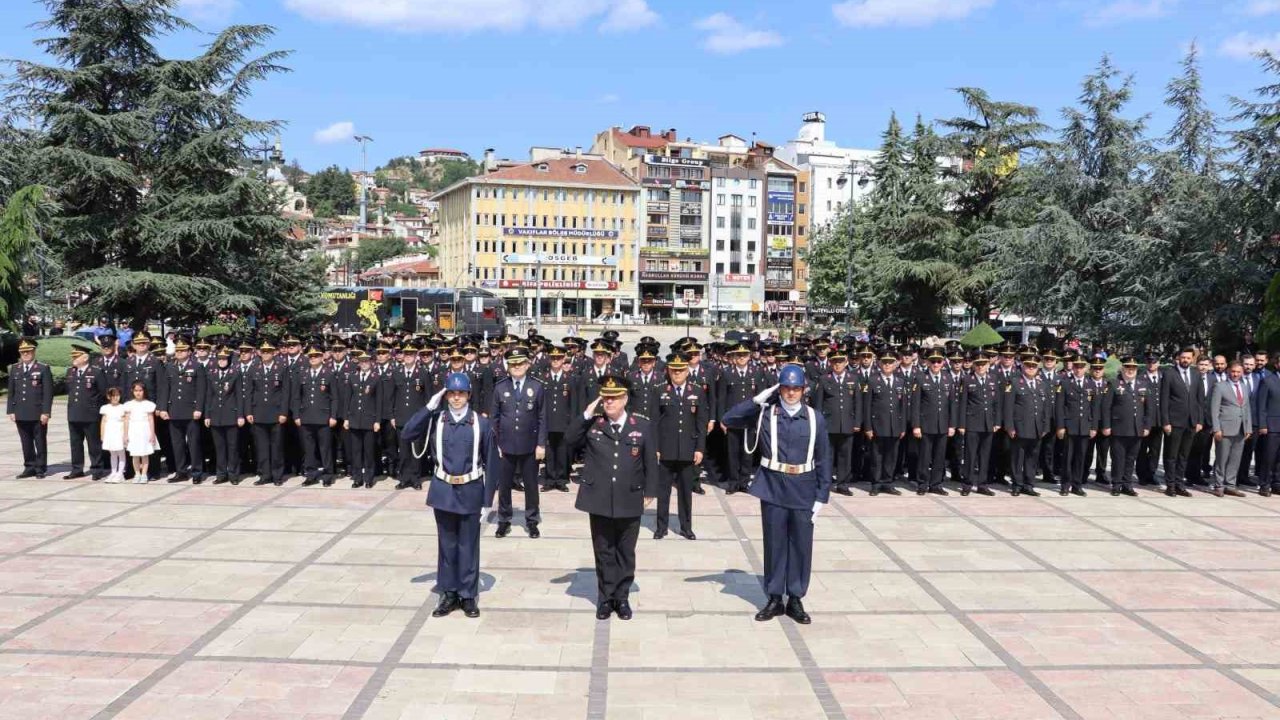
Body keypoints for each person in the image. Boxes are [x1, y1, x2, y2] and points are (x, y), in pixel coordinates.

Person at [723, 364, 832, 625]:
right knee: (774, 544)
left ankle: (795, 597)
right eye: (786, 388)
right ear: (779, 389)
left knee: (801, 546)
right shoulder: (766, 414)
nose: (791, 393)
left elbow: (824, 458)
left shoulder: (815, 418)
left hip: (804, 488)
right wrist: (757, 400)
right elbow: (729, 419)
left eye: (796, 388)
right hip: (773, 487)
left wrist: (822, 496)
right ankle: (774, 597)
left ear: (804, 390)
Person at [402, 372, 494, 619]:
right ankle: (448, 594)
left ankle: (467, 595)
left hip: (471, 489)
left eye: (461, 393)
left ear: (468, 395)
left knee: (468, 546)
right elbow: (407, 434)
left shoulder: (480, 424)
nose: (456, 398)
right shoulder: (436, 420)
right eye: (451, 393)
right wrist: (428, 407)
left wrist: (487, 502)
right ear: (446, 395)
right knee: (447, 545)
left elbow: (492, 463)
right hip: (443, 491)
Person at [567, 374, 658, 621]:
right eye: (605, 398)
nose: (609, 402)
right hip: (599, 498)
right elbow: (569, 440)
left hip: (630, 497)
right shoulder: (594, 424)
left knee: (626, 552)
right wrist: (586, 415)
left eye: (614, 398)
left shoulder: (642, 426)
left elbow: (650, 461)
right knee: (604, 551)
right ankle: (605, 598)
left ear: (625, 399)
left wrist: (650, 491)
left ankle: (622, 597)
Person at [489, 347, 547, 538]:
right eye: (513, 364)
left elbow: (542, 418)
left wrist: (541, 444)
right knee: (504, 485)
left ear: (527, 364)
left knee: (531, 485)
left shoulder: (537, 386)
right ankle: (504, 520)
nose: (517, 367)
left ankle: (532, 520)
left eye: (520, 363)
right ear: (508, 366)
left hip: (530, 446)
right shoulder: (500, 387)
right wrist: (496, 443)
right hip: (505, 446)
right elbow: (494, 418)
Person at [653, 352, 706, 539]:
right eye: (674, 370)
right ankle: (661, 527)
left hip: (687, 449)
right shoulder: (660, 390)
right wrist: (655, 448)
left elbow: (701, 422)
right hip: (665, 450)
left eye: (681, 370)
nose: (677, 373)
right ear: (668, 370)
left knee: (685, 493)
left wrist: (700, 448)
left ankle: (686, 527)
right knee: (663, 491)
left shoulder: (697, 391)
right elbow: (654, 423)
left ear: (687, 371)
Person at [157, 338, 207, 483]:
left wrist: (199, 408)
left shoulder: (197, 366)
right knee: (177, 444)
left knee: (194, 443)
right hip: (174, 411)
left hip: (191, 411)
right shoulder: (170, 367)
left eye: (183, 350)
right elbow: (165, 389)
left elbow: (201, 390)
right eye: (177, 351)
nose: (179, 353)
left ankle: (197, 472)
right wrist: (163, 408)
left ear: (189, 352)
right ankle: (181, 471)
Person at [1004, 355, 1051, 497]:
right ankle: (1017, 484)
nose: (1031, 368)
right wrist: (1010, 426)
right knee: (1017, 458)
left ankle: (1029, 485)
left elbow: (1046, 408)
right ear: (1023, 366)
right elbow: (1008, 407)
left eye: (1034, 366)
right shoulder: (1014, 383)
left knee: (1032, 458)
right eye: (1028, 365)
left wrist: (1046, 427)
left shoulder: (1043, 384)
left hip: (1037, 428)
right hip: (1020, 427)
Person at [1102, 356, 1149, 497]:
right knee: (1118, 458)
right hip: (1119, 428)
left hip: (1137, 429)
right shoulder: (1114, 384)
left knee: (1131, 459)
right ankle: (1116, 484)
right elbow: (1106, 407)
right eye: (1127, 367)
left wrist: (1147, 426)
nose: (1130, 370)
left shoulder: (1143, 384)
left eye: (1133, 368)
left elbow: (1149, 408)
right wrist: (1106, 426)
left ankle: (1127, 484)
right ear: (1122, 369)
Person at [1160, 348, 1204, 497]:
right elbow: (1164, 399)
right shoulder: (1169, 373)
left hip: (1191, 422)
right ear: (1178, 358)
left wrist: (1199, 420)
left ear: (1192, 359)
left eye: (1188, 358)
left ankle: (1180, 484)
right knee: (1171, 455)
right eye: (1183, 357)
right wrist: (1165, 421)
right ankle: (1170, 485)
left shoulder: (1196, 374)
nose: (1185, 360)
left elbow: (1200, 400)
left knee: (1184, 455)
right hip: (1174, 421)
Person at [7, 337, 53, 479]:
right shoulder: (15, 368)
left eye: (28, 351)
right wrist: (11, 410)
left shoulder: (43, 368)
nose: (26, 354)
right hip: (20, 412)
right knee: (25, 442)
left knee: (39, 441)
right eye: (23, 352)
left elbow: (48, 392)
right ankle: (29, 467)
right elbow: (11, 392)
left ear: (34, 352)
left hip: (37, 412)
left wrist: (46, 412)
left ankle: (40, 468)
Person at [957, 351, 1000, 496]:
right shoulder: (967, 380)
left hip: (988, 423)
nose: (981, 367)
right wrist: (962, 424)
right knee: (970, 455)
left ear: (989, 364)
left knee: (985, 455)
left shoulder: (993, 379)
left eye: (984, 364)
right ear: (974, 365)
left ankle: (982, 484)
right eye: (978, 364)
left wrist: (997, 422)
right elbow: (962, 404)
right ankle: (967, 484)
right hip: (972, 423)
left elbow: (996, 404)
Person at [293, 345, 337, 487]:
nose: (313, 359)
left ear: (322, 357)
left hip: (324, 417)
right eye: (311, 356)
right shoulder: (303, 373)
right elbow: (296, 397)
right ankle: (310, 474)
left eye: (316, 356)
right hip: (306, 416)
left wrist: (333, 416)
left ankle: (328, 475)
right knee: (309, 449)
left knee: (325, 448)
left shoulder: (329, 373)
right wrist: (296, 415)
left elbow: (334, 398)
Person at [247, 340, 289, 486]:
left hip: (276, 414)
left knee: (277, 447)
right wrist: (249, 412)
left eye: (268, 352)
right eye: (263, 352)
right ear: (259, 353)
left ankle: (277, 476)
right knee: (262, 447)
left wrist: (283, 412)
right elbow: (249, 392)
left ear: (274, 353)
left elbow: (285, 392)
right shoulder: (254, 368)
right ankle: (265, 475)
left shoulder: (282, 368)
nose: (265, 354)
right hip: (258, 413)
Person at [1210, 362, 1252, 498]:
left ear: (1242, 373)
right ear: (1229, 371)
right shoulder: (1220, 386)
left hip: (1241, 429)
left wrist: (1248, 428)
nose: (1235, 374)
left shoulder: (1244, 387)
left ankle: (1230, 485)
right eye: (1233, 371)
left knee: (1235, 459)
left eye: (1238, 372)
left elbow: (1246, 408)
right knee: (1222, 458)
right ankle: (1219, 485)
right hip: (1224, 429)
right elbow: (1214, 409)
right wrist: (1216, 428)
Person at [205, 347, 246, 485]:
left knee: (233, 447)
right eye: (220, 359)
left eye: (224, 359)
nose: (222, 361)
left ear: (229, 360)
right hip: (216, 415)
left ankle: (233, 474)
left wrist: (240, 415)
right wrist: (207, 415)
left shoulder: (235, 373)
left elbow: (240, 395)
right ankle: (221, 474)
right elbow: (209, 395)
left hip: (231, 415)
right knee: (219, 447)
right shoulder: (212, 373)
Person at [64, 347, 107, 480]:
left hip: (90, 414)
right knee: (75, 444)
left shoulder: (96, 372)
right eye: (73, 357)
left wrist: (97, 410)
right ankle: (77, 469)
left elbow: (103, 393)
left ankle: (97, 469)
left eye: (76, 356)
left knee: (93, 444)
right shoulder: (70, 372)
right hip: (74, 413)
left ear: (85, 357)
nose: (74, 359)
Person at [345, 349, 384, 488]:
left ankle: (369, 478)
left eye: (366, 361)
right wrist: (346, 418)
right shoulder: (352, 377)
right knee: (355, 452)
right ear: (359, 363)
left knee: (369, 452)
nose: (364, 363)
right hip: (355, 420)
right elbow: (348, 399)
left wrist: (377, 420)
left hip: (369, 420)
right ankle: (357, 478)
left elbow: (379, 401)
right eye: (362, 361)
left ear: (371, 362)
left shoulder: (376, 378)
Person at [124, 381, 158, 483]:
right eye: (136, 391)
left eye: (140, 390)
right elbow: (126, 420)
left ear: (144, 391)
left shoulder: (148, 404)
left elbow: (151, 419)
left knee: (144, 454)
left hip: (145, 430)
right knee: (135, 454)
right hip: (133, 430)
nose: (138, 393)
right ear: (132, 391)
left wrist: (152, 434)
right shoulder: (129, 404)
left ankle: (144, 474)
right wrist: (125, 434)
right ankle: (137, 474)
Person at [100, 387, 128, 483]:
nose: (116, 398)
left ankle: (120, 473)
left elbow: (125, 421)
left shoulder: (123, 407)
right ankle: (113, 472)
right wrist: (102, 435)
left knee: (121, 453)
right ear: (109, 397)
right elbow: (103, 421)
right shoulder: (105, 408)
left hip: (119, 433)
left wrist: (125, 434)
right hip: (109, 433)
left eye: (118, 395)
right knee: (112, 454)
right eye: (113, 396)